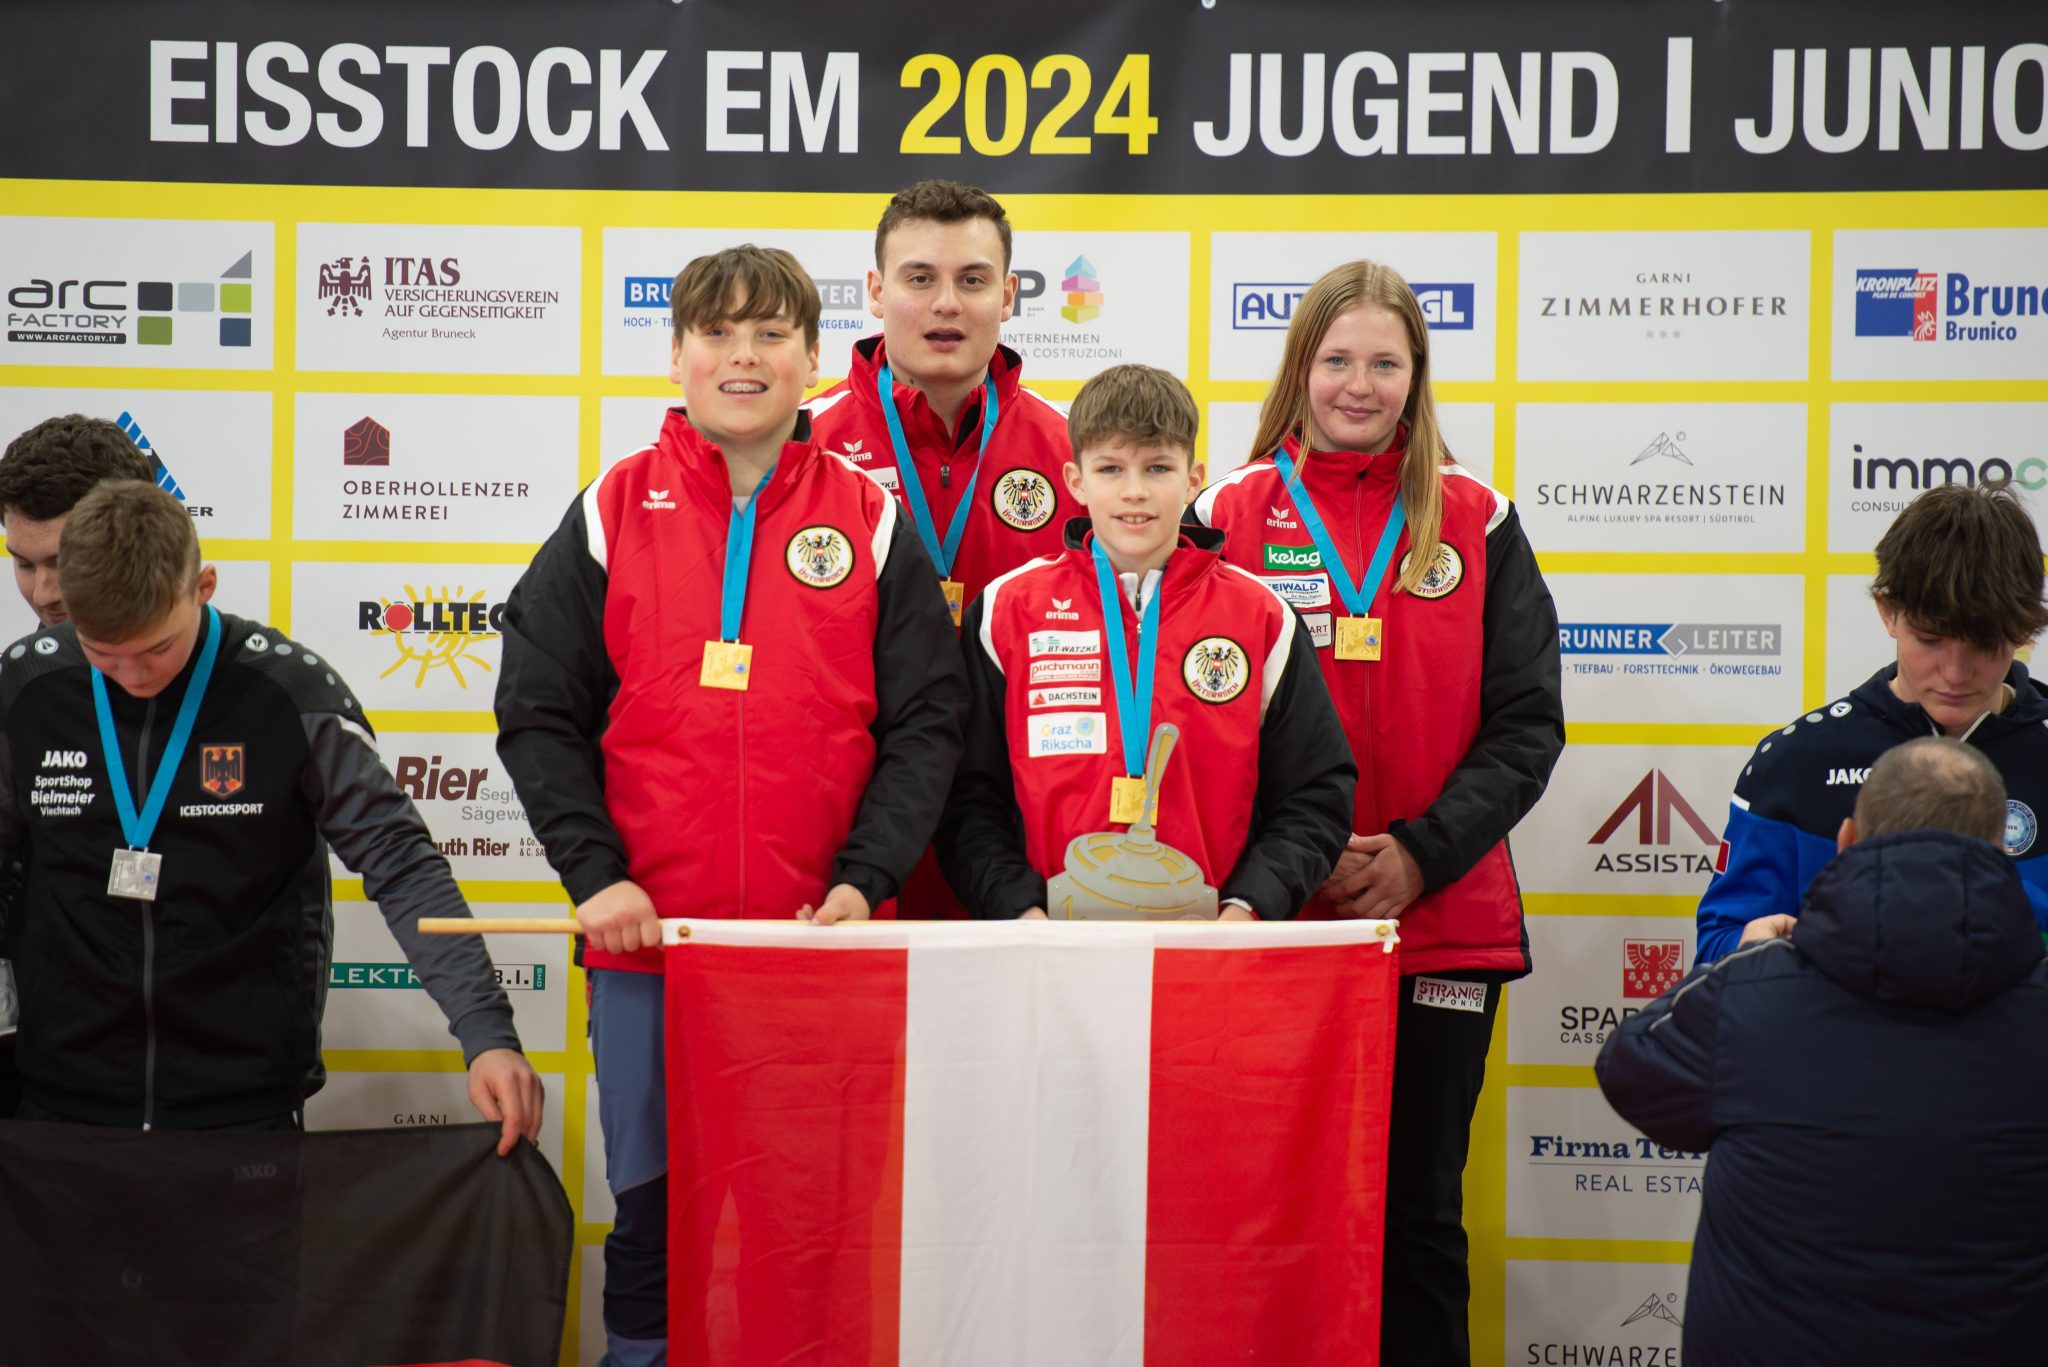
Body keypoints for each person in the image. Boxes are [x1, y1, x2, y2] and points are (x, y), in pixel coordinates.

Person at [494, 245, 965, 1367]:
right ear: (677, 353)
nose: (741, 356)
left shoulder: (873, 517)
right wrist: (596, 877)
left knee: (821, 1221)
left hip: (823, 946)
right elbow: (534, 711)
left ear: (813, 358)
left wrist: (866, 878)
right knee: (654, 1213)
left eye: (767, 335)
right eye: (716, 333)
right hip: (653, 947)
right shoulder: (613, 509)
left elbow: (930, 721)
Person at [1188, 260, 1564, 1366]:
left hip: (1437, 923)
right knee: (1261, 1221)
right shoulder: (1223, 513)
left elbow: (1524, 726)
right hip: (1266, 928)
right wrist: (1268, 874)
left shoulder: (1476, 518)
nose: (1357, 385)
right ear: (1299, 365)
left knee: (1414, 1221)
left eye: (1383, 363)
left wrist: (1416, 854)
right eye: (1335, 359)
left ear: (1417, 374)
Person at [0, 480, 542, 1147]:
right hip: (62, 1100)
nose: (132, 676)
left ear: (204, 587)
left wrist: (487, 1032)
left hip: (243, 1108)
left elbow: (402, 866)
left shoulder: (290, 694)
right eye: (102, 654)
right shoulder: (27, 688)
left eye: (156, 648)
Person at [1597, 737, 2048, 1365]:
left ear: (1845, 840)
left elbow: (1630, 1066)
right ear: (2002, 849)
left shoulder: (1750, 994)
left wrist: (1748, 961)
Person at [939, 363, 1354, 921]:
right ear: (1075, 480)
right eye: (1110, 468)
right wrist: (1019, 910)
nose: (1134, 491)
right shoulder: (1006, 611)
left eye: (1158, 467)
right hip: (1048, 947)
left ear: (1192, 478)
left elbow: (1316, 793)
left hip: (1209, 952)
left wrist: (1249, 907)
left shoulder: (1261, 618)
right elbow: (967, 796)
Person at [809, 180, 1077, 918]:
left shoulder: (1081, 458)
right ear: (874, 289)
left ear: (1010, 294)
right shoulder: (799, 445)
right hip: (842, 846)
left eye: (972, 280)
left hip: (1020, 852)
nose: (947, 304)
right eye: (920, 278)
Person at [1695, 482, 2048, 962]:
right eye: (1931, 640)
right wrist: (1751, 948)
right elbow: (1714, 952)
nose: (1954, 672)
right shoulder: (1797, 762)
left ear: (2023, 628)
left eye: (1984, 644)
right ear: (1887, 611)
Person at [0, 414, 157, 628]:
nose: (42, 596)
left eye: (67, 564)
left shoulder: (216, 656)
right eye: (25, 565)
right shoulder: (24, 660)